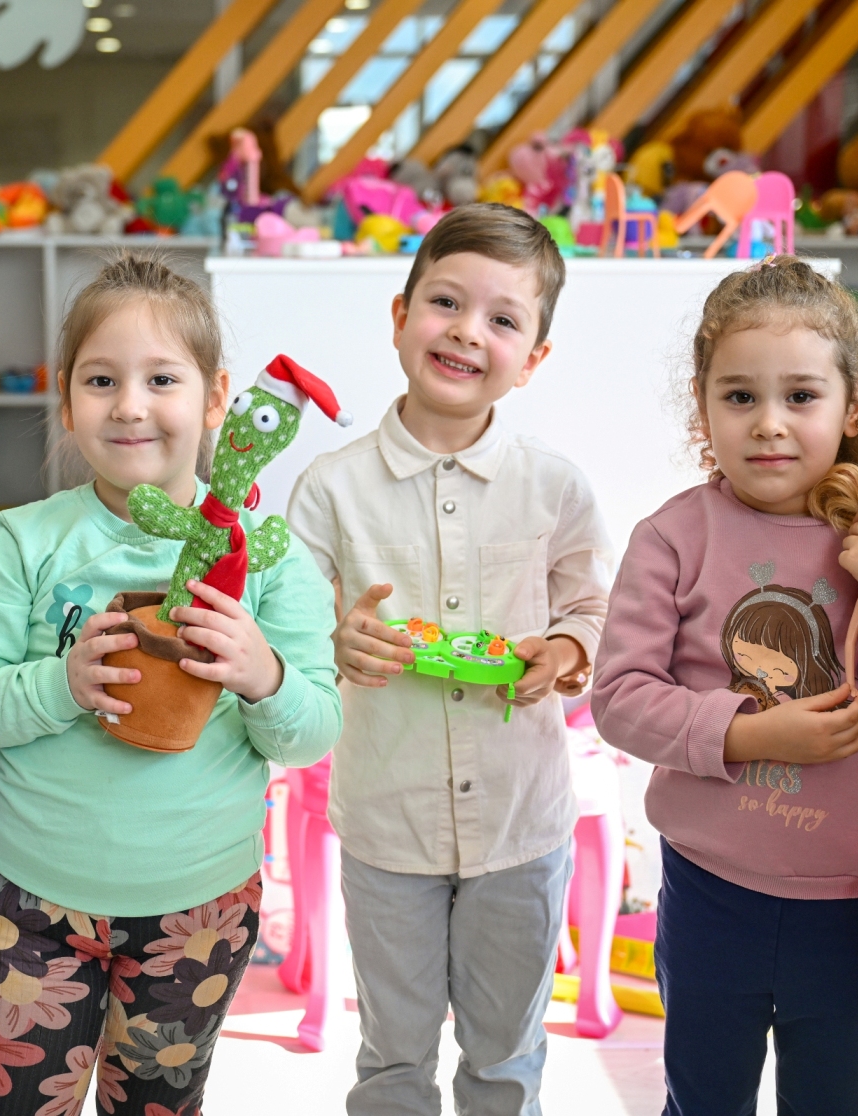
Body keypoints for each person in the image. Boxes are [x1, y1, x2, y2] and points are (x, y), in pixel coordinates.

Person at [0, 254, 342, 1115]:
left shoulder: (269, 555)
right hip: (30, 904)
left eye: (161, 378)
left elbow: (313, 734)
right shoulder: (18, 540)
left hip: (200, 909)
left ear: (216, 397)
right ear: (68, 400)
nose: (130, 404)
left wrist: (262, 674)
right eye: (101, 379)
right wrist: (62, 683)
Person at [590, 256, 858, 1113]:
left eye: (801, 397)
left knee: (835, 1102)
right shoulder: (672, 538)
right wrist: (748, 733)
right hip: (711, 890)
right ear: (703, 408)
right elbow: (619, 697)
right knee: (703, 1099)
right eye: (740, 397)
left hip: (854, 902)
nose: (769, 424)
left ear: (853, 407)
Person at [286, 203, 612, 1116]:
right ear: (400, 316)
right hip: (389, 828)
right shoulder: (330, 489)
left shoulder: (555, 485)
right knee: (392, 1056)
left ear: (534, 357)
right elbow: (290, 630)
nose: (469, 332)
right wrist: (334, 646)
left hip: (522, 821)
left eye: (504, 320)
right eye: (445, 303)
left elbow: (593, 603)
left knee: (506, 1055)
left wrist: (567, 645)